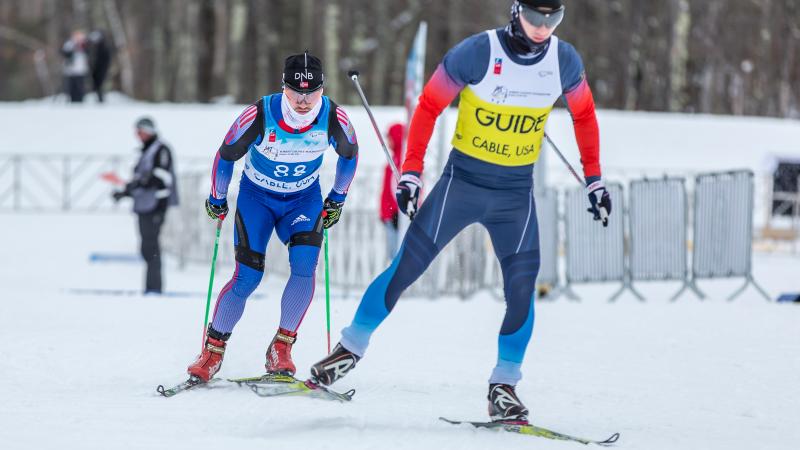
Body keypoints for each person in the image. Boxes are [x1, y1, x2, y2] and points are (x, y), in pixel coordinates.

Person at [309, 0, 611, 424]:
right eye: (535, 17)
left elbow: (584, 115)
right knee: (406, 268)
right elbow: (429, 106)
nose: (543, 28)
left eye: (553, 18)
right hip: (462, 184)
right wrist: (411, 173)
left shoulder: (564, 60)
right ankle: (348, 350)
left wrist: (594, 178)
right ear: (515, 11)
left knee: (523, 289)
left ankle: (503, 387)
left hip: (514, 196)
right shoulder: (478, 52)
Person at [186, 52, 359, 383]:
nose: (304, 101)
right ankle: (212, 351)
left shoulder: (334, 116)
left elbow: (350, 155)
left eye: (312, 93)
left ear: (322, 89)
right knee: (248, 277)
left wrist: (337, 198)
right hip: (257, 199)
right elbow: (226, 155)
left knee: (305, 266)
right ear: (284, 87)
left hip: (303, 200)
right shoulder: (261, 113)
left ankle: (281, 347)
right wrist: (217, 197)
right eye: (296, 93)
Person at [112, 117, 179, 294]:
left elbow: (160, 178)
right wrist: (125, 191)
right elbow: (141, 180)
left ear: (149, 130)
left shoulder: (161, 149)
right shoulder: (145, 150)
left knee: (151, 247)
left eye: (140, 131)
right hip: (144, 205)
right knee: (146, 247)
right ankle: (151, 288)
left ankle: (154, 289)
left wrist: (137, 184)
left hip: (156, 205)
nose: (137, 135)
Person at [379, 123, 405, 260]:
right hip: (390, 215)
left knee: (395, 255)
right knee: (392, 253)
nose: (388, 141)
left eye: (389, 137)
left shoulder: (401, 160)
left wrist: (396, 211)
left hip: (395, 216)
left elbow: (397, 188)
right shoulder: (395, 158)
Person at [61, 30, 89, 103]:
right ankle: (72, 100)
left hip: (81, 70)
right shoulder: (69, 44)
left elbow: (88, 53)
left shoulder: (84, 44)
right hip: (70, 70)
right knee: (71, 87)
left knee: (80, 86)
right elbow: (65, 53)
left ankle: (80, 100)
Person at [88, 30, 112, 103]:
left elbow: (106, 59)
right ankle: (99, 98)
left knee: (100, 83)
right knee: (97, 84)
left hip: (101, 68)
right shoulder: (96, 47)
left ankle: (101, 98)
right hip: (97, 69)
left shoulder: (103, 47)